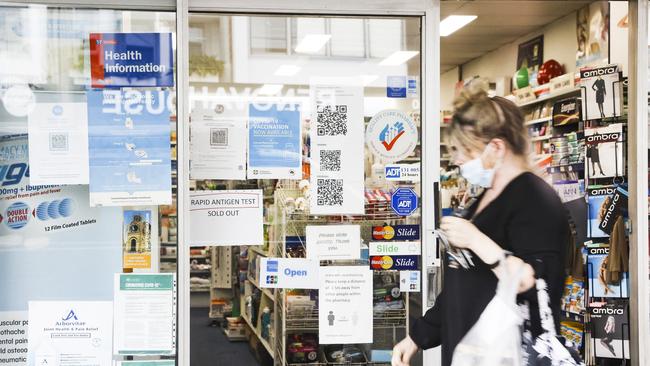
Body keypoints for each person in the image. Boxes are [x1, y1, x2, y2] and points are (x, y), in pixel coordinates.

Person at [392, 82, 568, 366]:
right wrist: (418, 337)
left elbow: (539, 285)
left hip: (509, 355)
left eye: (466, 151)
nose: (458, 160)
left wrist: (476, 239)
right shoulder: (486, 197)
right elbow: (464, 282)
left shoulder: (534, 199)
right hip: (469, 354)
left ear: (496, 147)